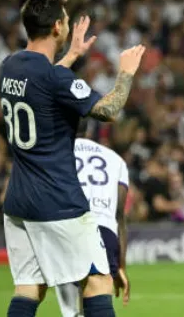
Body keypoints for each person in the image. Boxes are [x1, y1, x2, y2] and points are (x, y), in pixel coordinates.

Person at [0, 0, 144, 317]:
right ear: (57, 27)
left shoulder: (9, 66)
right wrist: (127, 73)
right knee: (98, 281)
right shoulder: (57, 77)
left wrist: (71, 55)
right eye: (65, 18)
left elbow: (42, 84)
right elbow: (108, 110)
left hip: (18, 200)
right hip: (58, 199)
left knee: (29, 288)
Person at [56, 130, 131, 316]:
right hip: (104, 228)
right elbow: (119, 215)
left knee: (72, 302)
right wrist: (121, 265)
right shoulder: (116, 160)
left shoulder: (58, 152)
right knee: (97, 298)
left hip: (66, 225)